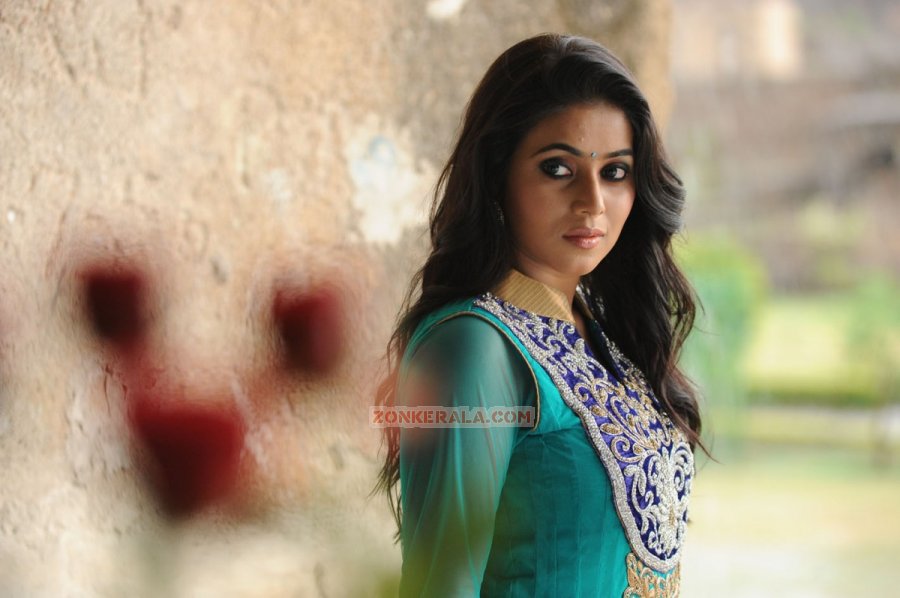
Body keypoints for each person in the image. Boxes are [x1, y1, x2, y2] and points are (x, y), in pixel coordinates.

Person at [375, 33, 704, 597]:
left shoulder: (603, 336)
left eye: (615, 172)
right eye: (557, 168)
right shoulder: (473, 347)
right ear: (497, 175)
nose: (592, 202)